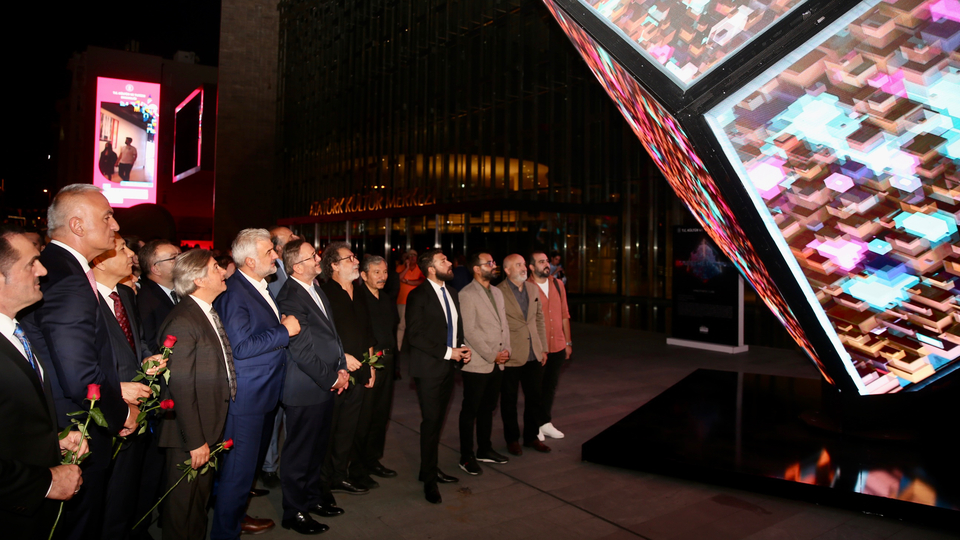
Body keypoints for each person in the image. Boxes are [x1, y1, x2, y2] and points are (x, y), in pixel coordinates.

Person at [22, 184, 139, 540]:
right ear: (77, 225)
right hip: (77, 427)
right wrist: (120, 411)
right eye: (107, 217)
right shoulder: (68, 278)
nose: (115, 226)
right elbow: (78, 373)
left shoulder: (61, 268)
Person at [211, 229, 301, 539]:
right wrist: (283, 331)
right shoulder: (236, 292)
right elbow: (241, 347)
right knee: (237, 475)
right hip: (247, 399)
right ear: (249, 261)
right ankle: (225, 532)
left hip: (263, 394)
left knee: (243, 473)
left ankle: (236, 519)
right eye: (269, 252)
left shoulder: (257, 286)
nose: (276, 255)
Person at [0, 230, 86, 540]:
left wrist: (54, 441)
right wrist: (45, 482)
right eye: (31, 264)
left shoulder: (15, 330)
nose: (43, 271)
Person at [156, 250, 233, 540]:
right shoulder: (185, 320)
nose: (223, 271)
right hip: (189, 434)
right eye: (216, 267)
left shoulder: (204, 311)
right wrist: (196, 439)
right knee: (181, 511)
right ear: (199, 279)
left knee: (197, 507)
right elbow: (181, 386)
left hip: (204, 429)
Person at [276, 239, 350, 534]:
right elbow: (302, 351)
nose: (318, 258)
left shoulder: (315, 288)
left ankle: (312, 499)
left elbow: (332, 334)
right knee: (299, 454)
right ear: (297, 266)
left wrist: (341, 365)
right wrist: (332, 378)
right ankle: (293, 512)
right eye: (313, 256)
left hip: (324, 383)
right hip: (306, 387)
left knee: (317, 449)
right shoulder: (291, 296)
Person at [92, 237, 162, 540]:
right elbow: (78, 364)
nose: (132, 255)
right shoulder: (82, 300)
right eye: (122, 249)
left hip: (136, 409)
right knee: (102, 502)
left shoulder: (123, 293)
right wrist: (115, 393)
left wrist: (147, 359)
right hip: (106, 411)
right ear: (99, 260)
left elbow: (136, 341)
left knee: (125, 495)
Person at [403, 249, 471, 504]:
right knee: (430, 424)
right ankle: (429, 480)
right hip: (429, 369)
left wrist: (461, 348)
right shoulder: (418, 295)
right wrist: (448, 352)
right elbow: (415, 336)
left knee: (437, 422)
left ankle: (428, 469)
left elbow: (455, 327)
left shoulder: (451, 293)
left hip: (448, 368)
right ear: (430, 268)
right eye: (443, 261)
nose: (450, 263)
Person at [319, 242, 376, 494]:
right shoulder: (324, 294)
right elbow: (319, 336)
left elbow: (368, 332)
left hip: (361, 370)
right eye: (349, 258)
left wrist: (371, 367)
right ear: (333, 265)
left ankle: (340, 475)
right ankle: (321, 480)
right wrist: (342, 357)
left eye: (354, 257)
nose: (356, 261)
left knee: (348, 428)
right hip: (335, 373)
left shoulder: (360, 291)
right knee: (329, 429)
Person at [457, 253, 511, 475]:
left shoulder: (497, 292)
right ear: (477, 269)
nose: (494, 265)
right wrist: (492, 355)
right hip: (478, 363)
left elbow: (503, 324)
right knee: (470, 410)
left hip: (497, 362)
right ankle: (466, 456)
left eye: (493, 262)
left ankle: (484, 449)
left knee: (488, 408)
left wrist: (506, 349)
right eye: (489, 263)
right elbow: (469, 331)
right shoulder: (466, 294)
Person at [351, 255, 399, 482]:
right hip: (370, 363)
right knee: (364, 417)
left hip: (388, 362)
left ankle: (373, 460)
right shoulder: (358, 298)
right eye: (377, 272)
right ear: (364, 275)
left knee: (381, 415)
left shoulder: (388, 299)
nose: (382, 277)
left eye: (385, 272)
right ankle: (357, 467)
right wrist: (367, 366)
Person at [497, 254, 550, 456]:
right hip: (510, 353)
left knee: (535, 398)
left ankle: (531, 437)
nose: (523, 268)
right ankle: (512, 439)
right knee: (509, 400)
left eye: (523, 265)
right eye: (517, 265)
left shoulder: (532, 288)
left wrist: (543, 348)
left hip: (533, 352)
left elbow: (539, 319)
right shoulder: (498, 291)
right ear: (507, 270)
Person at [261, 226, 300, 489]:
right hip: (277, 351)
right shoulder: (272, 274)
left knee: (293, 415)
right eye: (291, 238)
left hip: (298, 354)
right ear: (277, 247)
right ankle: (269, 466)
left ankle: (290, 465)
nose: (296, 239)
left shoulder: (296, 269)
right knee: (273, 416)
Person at [529, 251, 572, 441]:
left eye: (547, 261)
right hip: (538, 348)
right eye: (541, 262)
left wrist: (568, 343)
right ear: (531, 267)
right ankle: (534, 424)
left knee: (550, 386)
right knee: (535, 387)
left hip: (558, 345)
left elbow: (564, 315)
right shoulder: (526, 287)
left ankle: (545, 422)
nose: (546, 264)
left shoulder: (557, 284)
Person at [138, 240, 182, 354]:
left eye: (179, 255)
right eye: (173, 258)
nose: (180, 261)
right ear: (156, 269)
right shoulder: (145, 299)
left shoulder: (183, 290)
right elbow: (151, 344)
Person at [395, 249, 423, 349]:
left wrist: (406, 281)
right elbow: (398, 278)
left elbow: (420, 281)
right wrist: (406, 268)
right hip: (402, 301)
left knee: (415, 325)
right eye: (410, 255)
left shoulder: (420, 268)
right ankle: (399, 348)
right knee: (401, 325)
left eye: (414, 255)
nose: (412, 257)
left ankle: (415, 347)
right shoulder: (401, 267)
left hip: (416, 302)